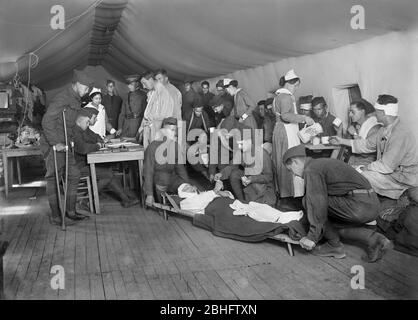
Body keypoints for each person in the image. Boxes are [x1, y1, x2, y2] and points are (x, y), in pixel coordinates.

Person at [283, 144, 393, 262]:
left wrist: (311, 237)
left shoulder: (311, 169)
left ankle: (333, 246)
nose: (294, 175)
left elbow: (316, 205)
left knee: (309, 202)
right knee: (331, 226)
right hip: (372, 204)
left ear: (295, 162)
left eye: (291, 171)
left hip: (359, 206)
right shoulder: (321, 164)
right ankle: (376, 240)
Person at [330, 94, 418, 200]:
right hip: (392, 174)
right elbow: (367, 144)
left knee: (361, 176)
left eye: (376, 111)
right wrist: (341, 140)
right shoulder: (384, 130)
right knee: (352, 171)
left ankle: (362, 207)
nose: (374, 114)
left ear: (383, 113)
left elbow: (386, 166)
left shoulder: (400, 133)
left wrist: (366, 167)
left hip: (403, 179)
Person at [39, 69, 93, 226]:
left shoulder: (76, 98)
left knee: (74, 174)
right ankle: (56, 215)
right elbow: (46, 121)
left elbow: (70, 124)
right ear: (76, 84)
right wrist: (56, 143)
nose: (87, 91)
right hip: (54, 143)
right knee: (54, 178)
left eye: (89, 88)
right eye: (85, 87)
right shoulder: (63, 97)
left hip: (66, 142)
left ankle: (70, 211)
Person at [73, 108, 139, 208]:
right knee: (108, 174)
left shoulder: (82, 129)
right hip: (78, 167)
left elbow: (95, 136)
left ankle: (125, 199)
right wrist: (98, 145)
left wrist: (100, 141)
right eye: (87, 122)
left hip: (84, 162)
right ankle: (86, 200)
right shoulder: (75, 132)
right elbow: (83, 148)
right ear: (81, 120)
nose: (88, 125)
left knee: (108, 172)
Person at [271, 69, 314, 199]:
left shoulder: (277, 96)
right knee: (291, 160)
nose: (296, 89)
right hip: (286, 131)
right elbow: (285, 115)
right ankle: (292, 193)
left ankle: (283, 192)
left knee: (280, 160)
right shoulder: (286, 96)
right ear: (290, 84)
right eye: (296, 86)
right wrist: (304, 118)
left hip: (279, 130)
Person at [214, 127, 276, 206]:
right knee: (234, 173)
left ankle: (257, 201)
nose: (239, 147)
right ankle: (241, 200)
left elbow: (269, 177)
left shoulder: (262, 154)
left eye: (241, 144)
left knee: (256, 200)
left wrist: (252, 179)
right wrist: (221, 174)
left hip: (262, 184)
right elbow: (232, 165)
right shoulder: (241, 151)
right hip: (249, 178)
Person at [144, 117, 189, 207]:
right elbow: (148, 172)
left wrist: (186, 184)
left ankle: (176, 202)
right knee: (163, 177)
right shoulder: (153, 147)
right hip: (156, 180)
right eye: (170, 130)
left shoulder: (175, 146)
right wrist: (149, 194)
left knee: (185, 187)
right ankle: (162, 202)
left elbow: (180, 168)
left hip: (170, 178)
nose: (174, 133)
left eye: (175, 130)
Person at [138, 70, 175, 148]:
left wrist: (151, 121)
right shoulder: (152, 93)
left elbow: (165, 116)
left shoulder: (163, 93)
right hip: (151, 131)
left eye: (144, 83)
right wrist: (142, 127)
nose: (144, 86)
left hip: (158, 134)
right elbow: (147, 113)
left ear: (151, 80)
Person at [345, 98, 381, 166]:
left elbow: (365, 154)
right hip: (354, 160)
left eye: (353, 112)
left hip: (368, 163)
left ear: (362, 111)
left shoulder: (374, 127)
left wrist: (354, 134)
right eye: (349, 112)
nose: (350, 115)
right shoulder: (355, 124)